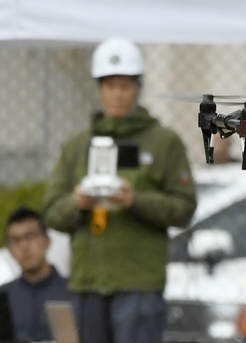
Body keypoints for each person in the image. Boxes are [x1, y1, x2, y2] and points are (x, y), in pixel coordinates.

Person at [42, 37, 197, 343]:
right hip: (89, 282)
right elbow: (51, 214)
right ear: (99, 89)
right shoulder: (77, 146)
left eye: (125, 86)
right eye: (110, 85)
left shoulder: (164, 142)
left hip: (138, 282)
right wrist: (77, 203)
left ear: (137, 88)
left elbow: (183, 208)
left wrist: (135, 200)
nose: (117, 94)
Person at [0, 207, 72, 342]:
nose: (24, 246)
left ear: (47, 241)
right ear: (9, 250)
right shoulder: (4, 296)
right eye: (16, 240)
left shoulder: (72, 292)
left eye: (30, 236)